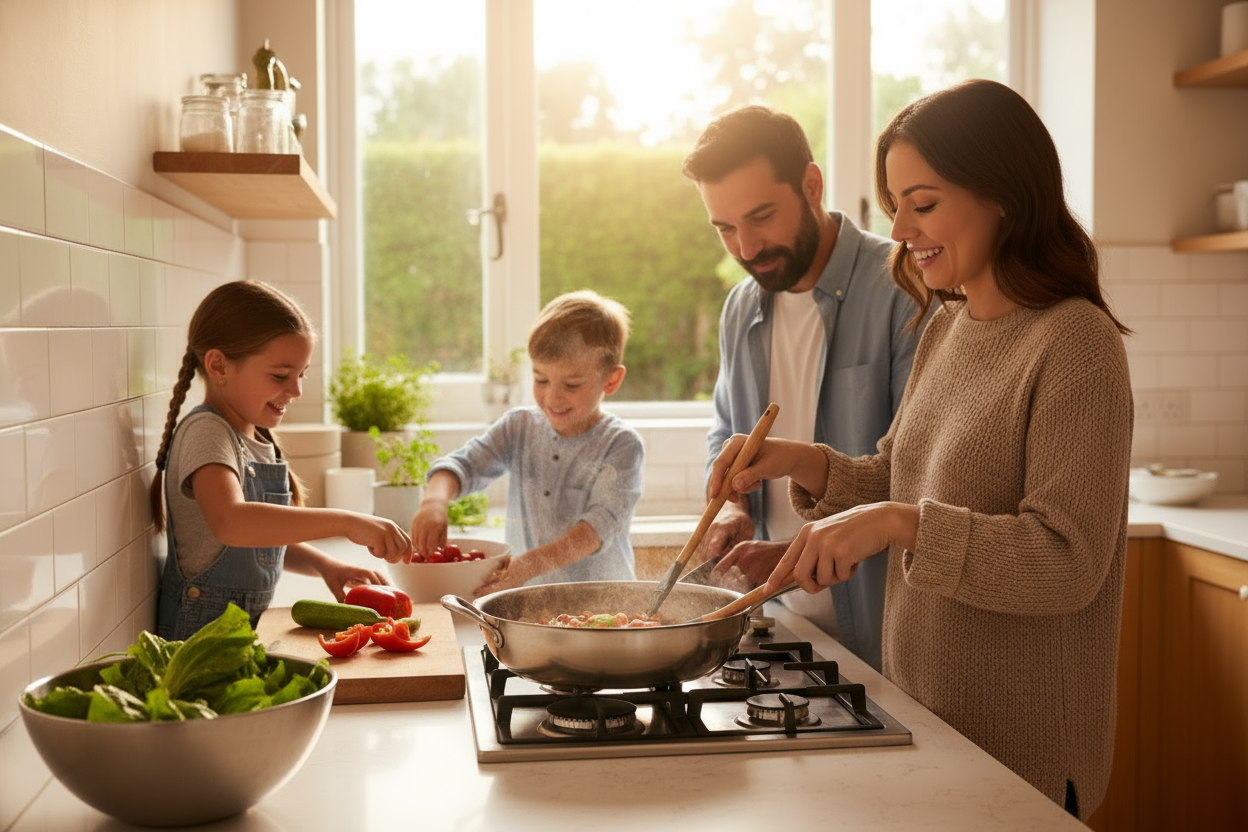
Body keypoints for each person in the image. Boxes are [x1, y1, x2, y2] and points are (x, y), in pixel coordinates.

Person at [709, 79, 1133, 821]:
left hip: (1021, 752)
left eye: (923, 202)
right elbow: (896, 475)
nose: (900, 228)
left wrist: (903, 524)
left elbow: (1068, 562)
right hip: (923, 720)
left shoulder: (1076, 344)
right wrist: (799, 460)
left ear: (1003, 193)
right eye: (896, 202)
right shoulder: (949, 324)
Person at [681, 104, 925, 671]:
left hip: (885, 639)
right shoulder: (740, 309)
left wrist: (795, 551)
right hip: (780, 628)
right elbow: (727, 430)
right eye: (725, 228)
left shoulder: (903, 287)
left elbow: (915, 476)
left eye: (761, 216)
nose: (745, 247)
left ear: (811, 185)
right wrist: (728, 505)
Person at [150, 281, 412, 640]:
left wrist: (324, 565)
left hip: (236, 635)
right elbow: (233, 523)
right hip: (198, 641)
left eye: (301, 374)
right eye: (280, 376)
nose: (296, 390)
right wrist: (347, 522)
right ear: (218, 366)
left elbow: (259, 538)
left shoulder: (254, 437)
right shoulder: (207, 432)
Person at [411, 289, 644, 595]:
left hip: (605, 608)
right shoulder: (518, 427)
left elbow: (595, 531)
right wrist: (433, 502)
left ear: (611, 381)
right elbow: (461, 465)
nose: (552, 397)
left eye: (571, 384)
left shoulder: (621, 445)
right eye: (540, 379)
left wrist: (526, 566)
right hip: (528, 603)